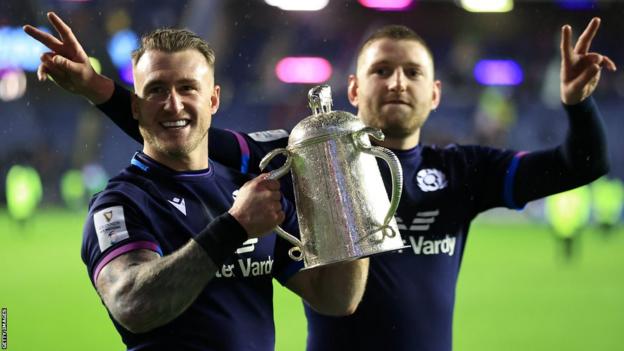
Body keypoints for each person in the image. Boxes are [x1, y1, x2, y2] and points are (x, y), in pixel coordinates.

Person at [26, 13, 616, 351]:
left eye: (413, 72)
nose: (397, 83)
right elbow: (181, 127)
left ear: (436, 93)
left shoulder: (464, 170)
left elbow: (579, 165)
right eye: (380, 71)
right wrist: (101, 89)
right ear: (353, 92)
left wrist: (577, 106)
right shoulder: (293, 158)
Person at [24, 13, 369, 350]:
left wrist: (352, 193)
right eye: (156, 90)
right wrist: (234, 228)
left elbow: (337, 297)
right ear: (135, 107)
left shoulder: (255, 192)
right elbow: (132, 304)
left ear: (214, 99)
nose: (173, 105)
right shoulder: (122, 204)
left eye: (188, 88)